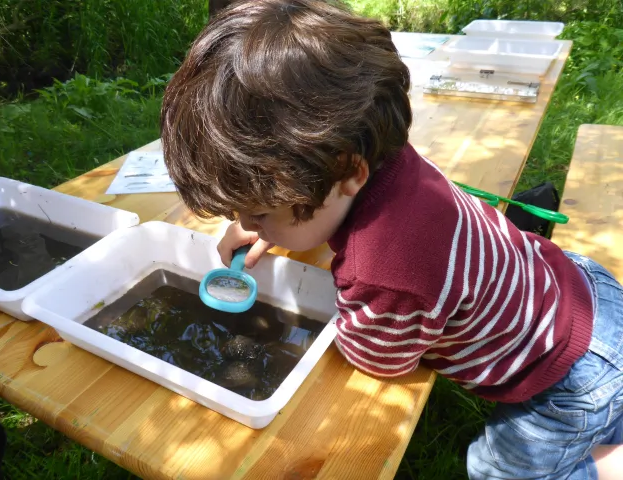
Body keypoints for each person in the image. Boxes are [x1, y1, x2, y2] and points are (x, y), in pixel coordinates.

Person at [160, 1, 623, 478]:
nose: (247, 224)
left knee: (497, 470)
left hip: (565, 371)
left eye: (259, 213)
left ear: (347, 174)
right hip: (581, 290)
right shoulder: (384, 153)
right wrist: (267, 221)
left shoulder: (383, 269)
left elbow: (380, 361)